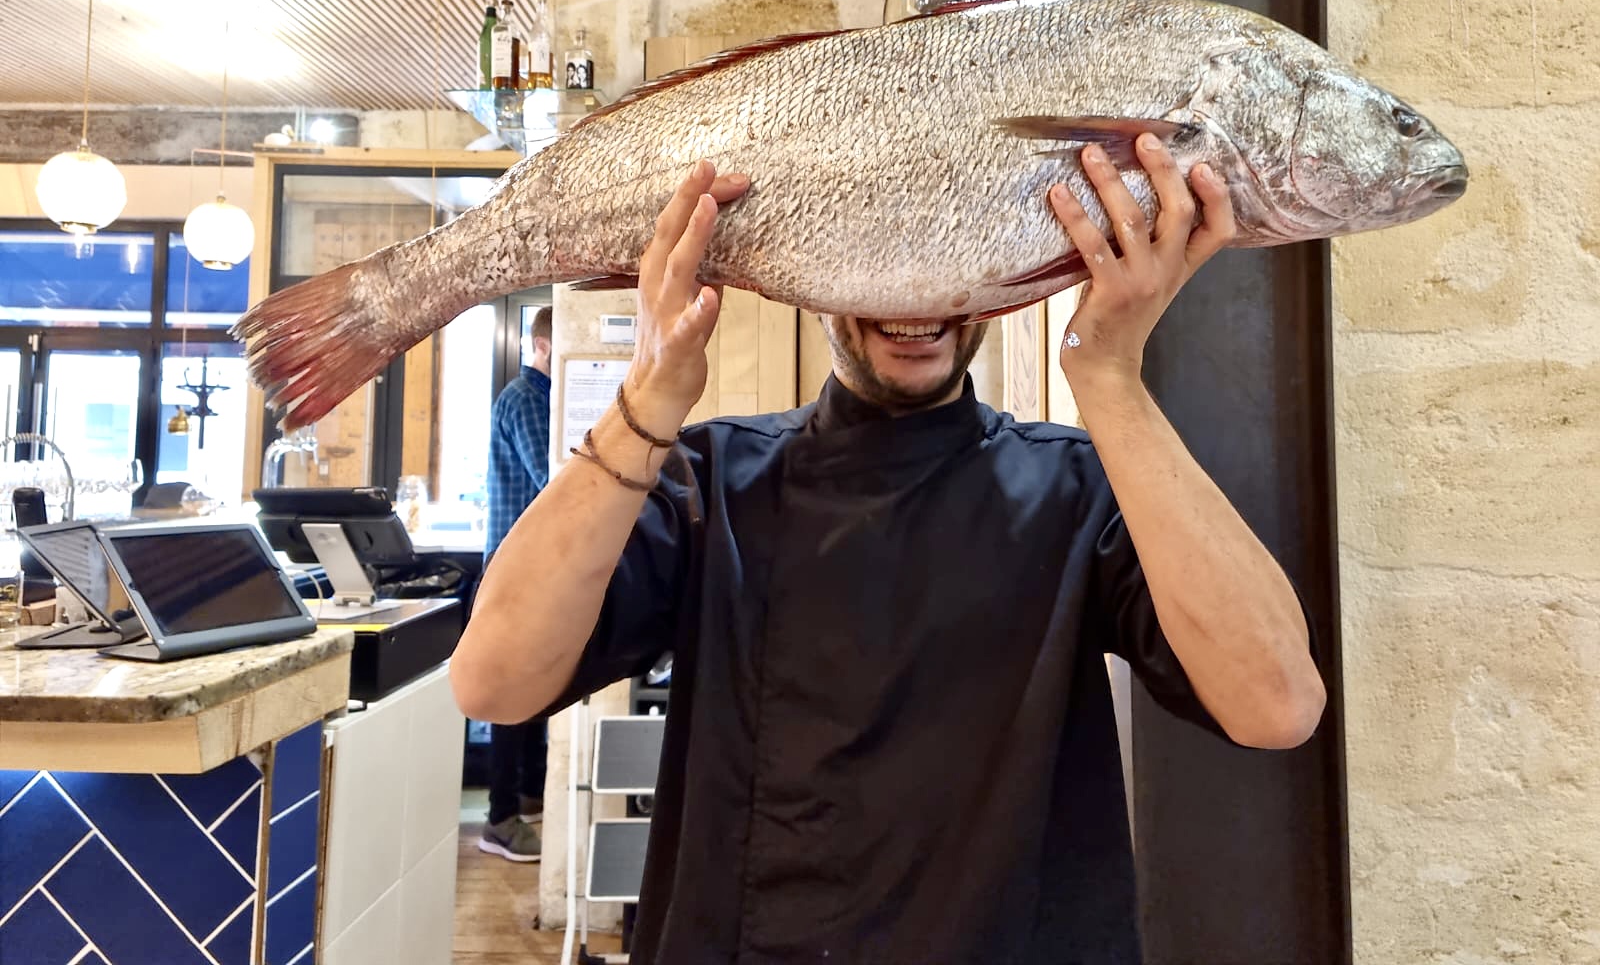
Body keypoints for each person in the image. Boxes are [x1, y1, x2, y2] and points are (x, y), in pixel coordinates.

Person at [452, 141, 1327, 961]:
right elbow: (494, 680)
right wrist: (645, 400)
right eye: (881, 256)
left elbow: (1277, 704)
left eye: (947, 254)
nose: (915, 297)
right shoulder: (709, 480)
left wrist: (1109, 377)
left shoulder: (1076, 489)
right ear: (812, 277)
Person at [475, 304, 554, 863]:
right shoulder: (527, 399)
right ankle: (501, 817)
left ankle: (528, 795)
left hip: (533, 566)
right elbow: (551, 478)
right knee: (510, 695)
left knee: (535, 689)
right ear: (543, 345)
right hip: (516, 568)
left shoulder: (541, 397)